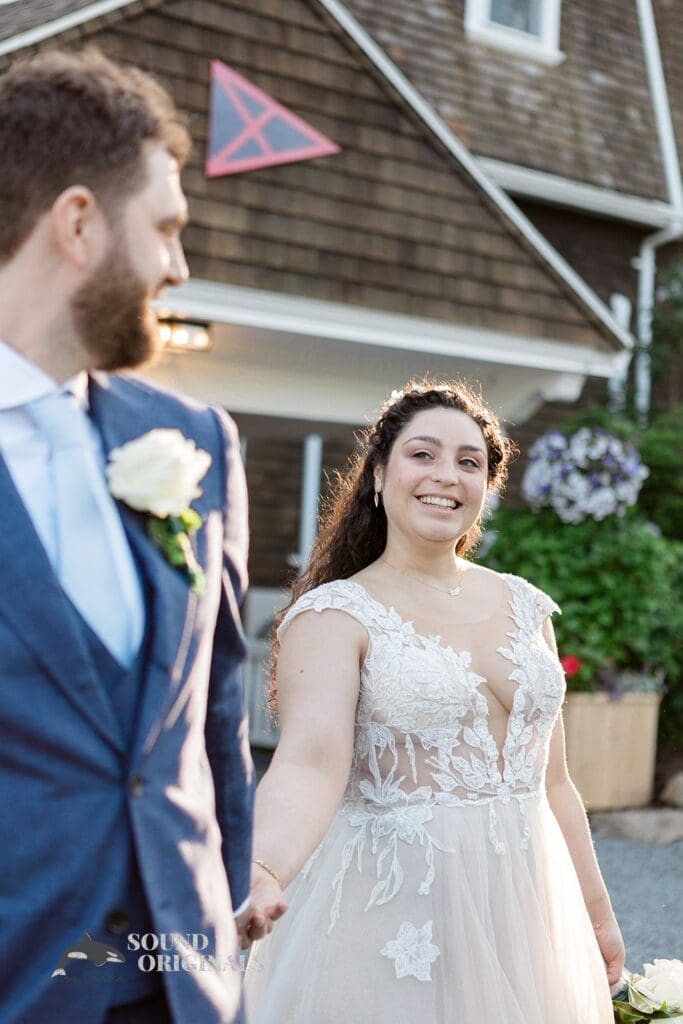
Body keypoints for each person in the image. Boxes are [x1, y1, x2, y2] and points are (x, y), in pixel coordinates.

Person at [0, 48, 272, 1024]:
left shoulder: (193, 441)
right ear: (77, 223)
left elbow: (215, 727)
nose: (177, 265)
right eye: (164, 227)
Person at [243, 380, 626, 1023]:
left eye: (469, 462)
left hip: (524, 914)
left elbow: (553, 782)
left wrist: (597, 915)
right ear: (377, 475)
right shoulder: (336, 615)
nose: (446, 475)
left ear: (487, 489)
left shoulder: (525, 606)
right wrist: (262, 867)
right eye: (423, 454)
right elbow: (311, 764)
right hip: (392, 914)